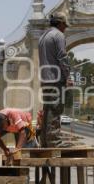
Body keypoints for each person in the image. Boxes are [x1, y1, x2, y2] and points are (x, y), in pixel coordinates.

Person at [38, 12, 71, 148]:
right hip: (55, 78)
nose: (65, 28)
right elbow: (62, 57)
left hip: (46, 79)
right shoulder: (58, 35)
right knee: (55, 110)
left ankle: (45, 141)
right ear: (60, 23)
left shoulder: (43, 37)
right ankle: (54, 142)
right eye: (65, 25)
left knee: (47, 110)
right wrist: (68, 75)